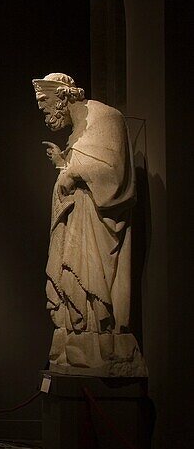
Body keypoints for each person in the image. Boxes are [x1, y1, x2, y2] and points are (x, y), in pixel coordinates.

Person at [34, 73, 147, 376]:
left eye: (46, 108)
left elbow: (115, 173)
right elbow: (76, 174)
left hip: (98, 224)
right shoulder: (76, 132)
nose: (45, 117)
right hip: (77, 220)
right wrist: (63, 165)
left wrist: (72, 172)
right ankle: (76, 338)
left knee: (92, 278)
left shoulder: (106, 118)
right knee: (71, 279)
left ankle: (101, 342)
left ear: (63, 97)